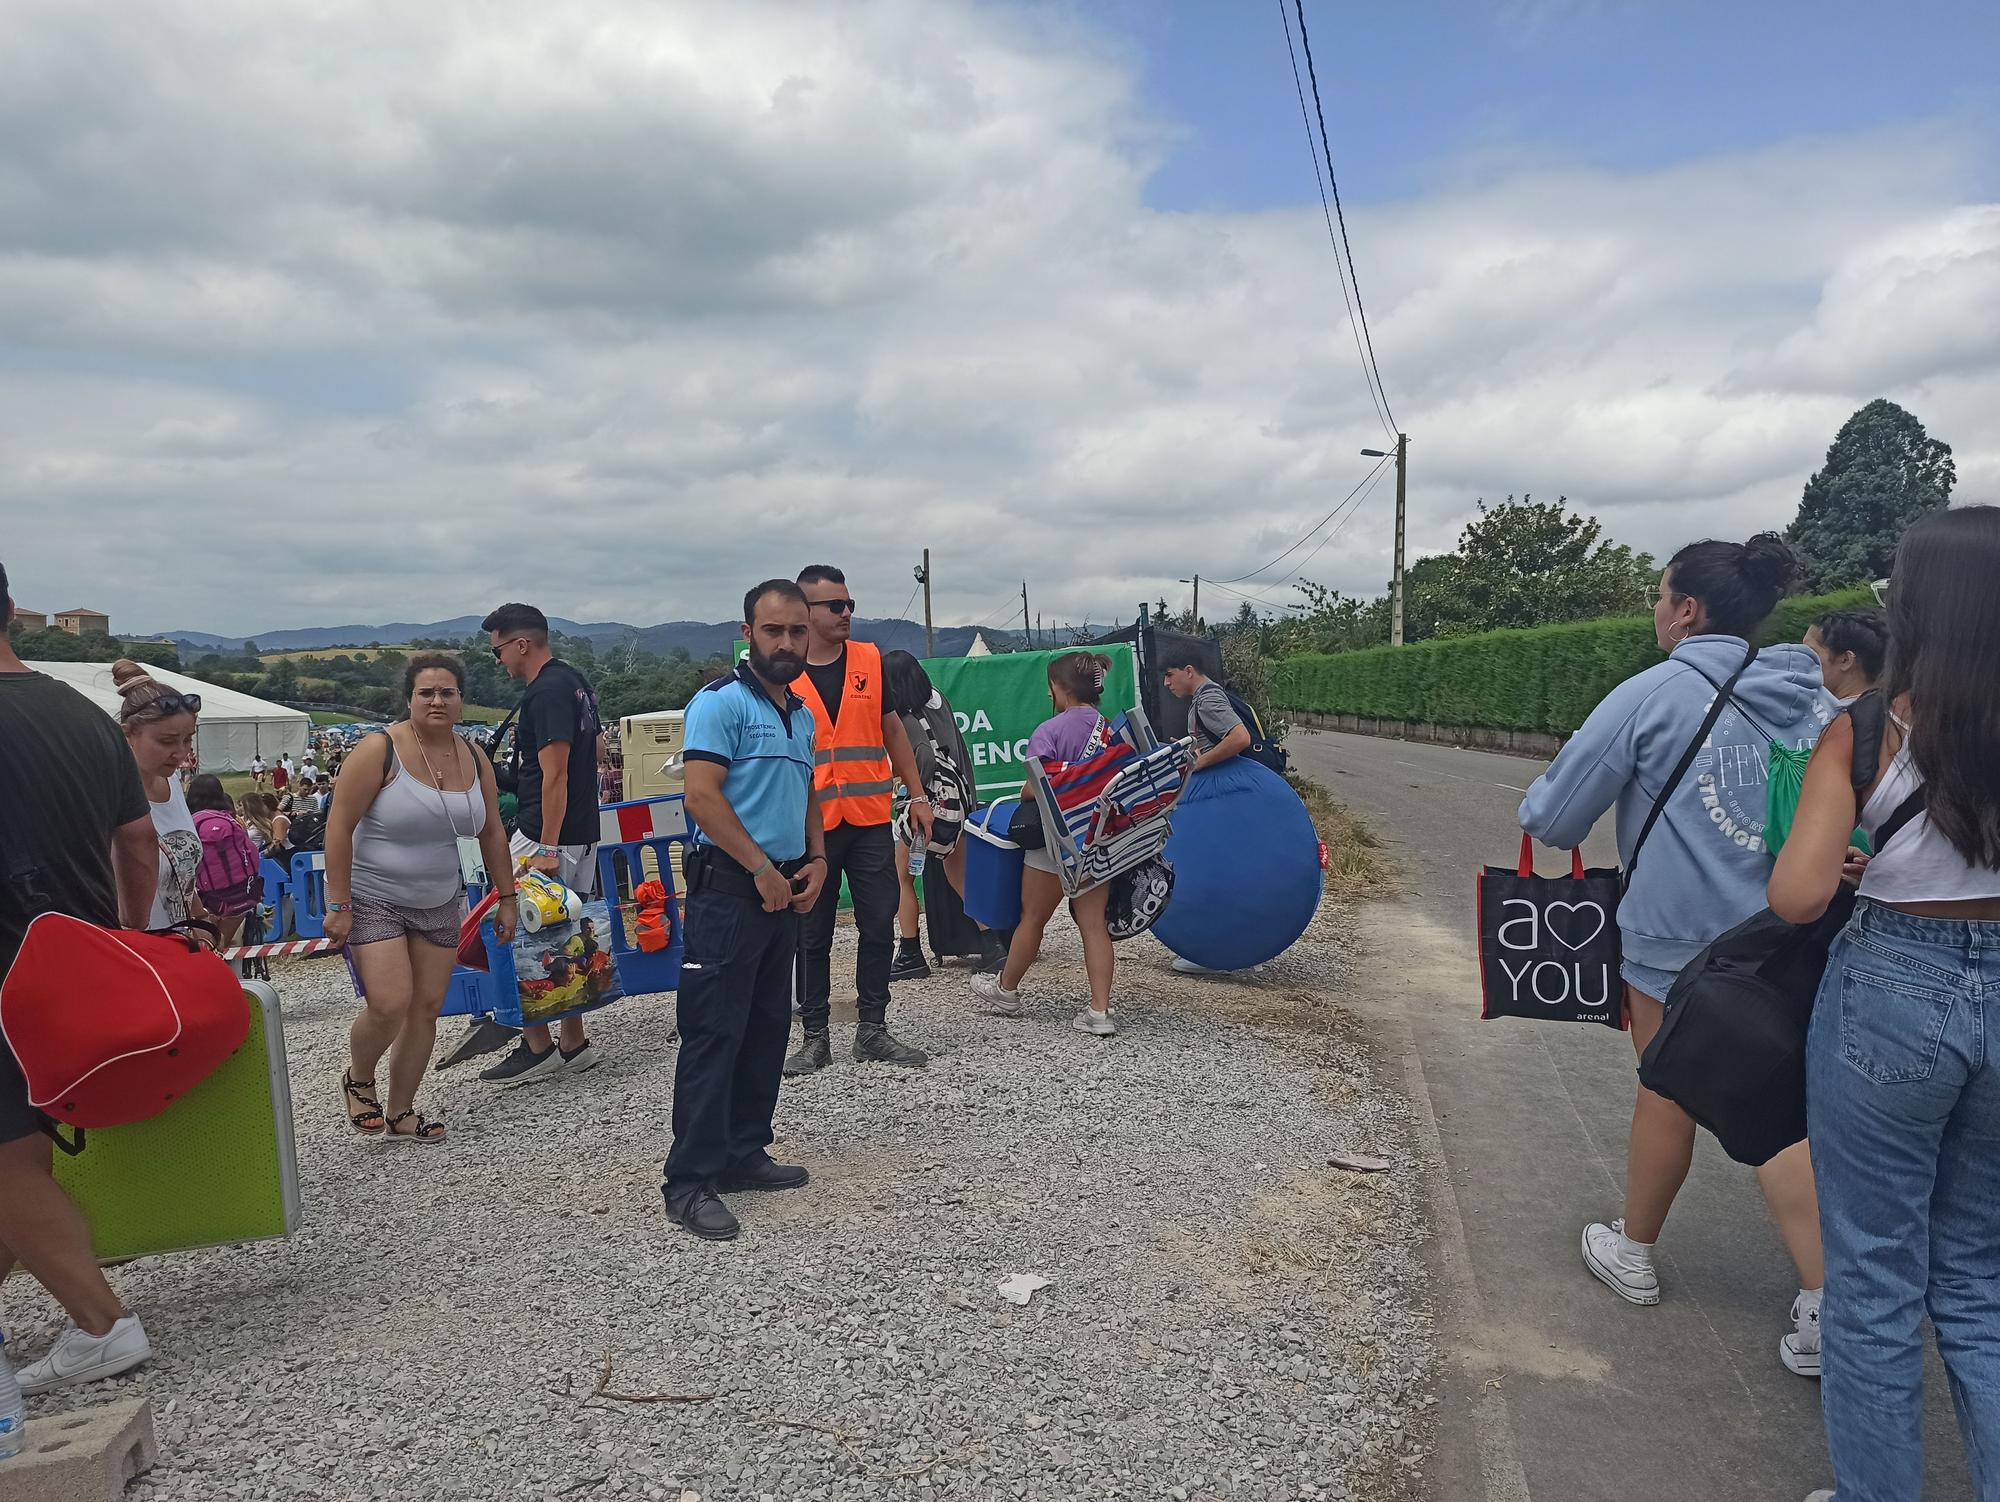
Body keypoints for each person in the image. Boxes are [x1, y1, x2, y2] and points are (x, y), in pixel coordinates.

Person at [1518, 534, 1833, 1375]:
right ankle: (1826, 1285)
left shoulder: (1651, 695)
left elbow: (1552, 820)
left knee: (1688, 1092)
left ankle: (1819, 1296)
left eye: (1660, 595)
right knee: (1796, 1094)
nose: (1656, 609)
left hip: (1682, 945)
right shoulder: (1815, 696)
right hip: (1802, 936)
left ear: (1687, 609)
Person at [1770, 506, 2000, 1502]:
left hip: (1892, 986)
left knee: (1869, 1281)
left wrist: (1859, 855)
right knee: (1978, 1281)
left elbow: (1795, 895)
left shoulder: (1867, 728)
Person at [0, 565, 159, 1396]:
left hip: (1, 974)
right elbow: (140, 845)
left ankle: (102, 1326)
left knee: (4, 1162)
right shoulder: (83, 715)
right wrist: (126, 941)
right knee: (19, 1149)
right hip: (78, 965)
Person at [662, 581, 826, 1240]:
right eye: (773, 631)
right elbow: (702, 798)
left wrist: (815, 860)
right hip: (730, 893)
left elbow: (807, 789)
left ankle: (743, 1151)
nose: (786, 643)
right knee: (713, 1035)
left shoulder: (801, 713)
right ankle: (689, 1181)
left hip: (784, 889)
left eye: (795, 631)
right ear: (748, 632)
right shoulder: (719, 705)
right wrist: (760, 869)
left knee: (765, 1030)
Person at [324, 654, 516, 1142]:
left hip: (438, 898)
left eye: (447, 692)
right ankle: (359, 1077)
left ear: (461, 699)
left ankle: (402, 1109)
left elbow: (492, 831)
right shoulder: (378, 749)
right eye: (426, 692)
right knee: (390, 1002)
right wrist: (339, 903)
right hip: (374, 896)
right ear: (409, 698)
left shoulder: (473, 755)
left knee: (426, 1007)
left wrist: (507, 896)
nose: (437, 701)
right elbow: (339, 827)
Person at [783, 565, 934, 1074]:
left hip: (868, 820)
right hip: (812, 828)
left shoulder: (869, 660)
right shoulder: (781, 670)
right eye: (835, 606)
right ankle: (815, 1036)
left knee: (877, 924)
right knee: (812, 934)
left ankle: (873, 1029)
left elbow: (894, 732)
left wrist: (917, 795)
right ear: (806, 611)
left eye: (850, 604)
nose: (847, 613)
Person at [478, 603, 609, 1087]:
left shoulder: (545, 692)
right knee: (567, 930)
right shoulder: (572, 680)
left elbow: (555, 776)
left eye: (498, 651)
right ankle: (573, 1043)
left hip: (546, 832)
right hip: (580, 830)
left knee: (516, 929)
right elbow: (591, 754)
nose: (499, 662)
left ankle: (536, 1047)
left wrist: (546, 847)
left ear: (521, 644)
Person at [969, 652, 1122, 1037]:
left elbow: (1033, 788)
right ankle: (1100, 1011)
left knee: (1033, 919)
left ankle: (1006, 990)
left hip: (1055, 842)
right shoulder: (1108, 730)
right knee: (1092, 925)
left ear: (1059, 687)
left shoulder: (1049, 731)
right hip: (1097, 840)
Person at [881, 649, 991, 980]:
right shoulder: (937, 701)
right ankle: (995, 945)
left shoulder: (904, 719)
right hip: (958, 806)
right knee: (962, 878)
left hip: (928, 810)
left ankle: (910, 953)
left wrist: (907, 785)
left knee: (901, 876)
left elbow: (924, 759)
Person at [108, 662, 205, 934]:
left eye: (188, 740)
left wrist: (200, 917)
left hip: (177, 948)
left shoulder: (172, 784)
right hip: (134, 952)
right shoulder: (107, 799)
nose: (181, 752)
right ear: (128, 734)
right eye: (167, 741)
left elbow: (179, 875)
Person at [187, 773, 260, 951]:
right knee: (222, 945)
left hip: (206, 897)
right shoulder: (232, 820)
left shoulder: (189, 823)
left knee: (204, 946)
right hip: (241, 895)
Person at [1162, 649, 1251, 771]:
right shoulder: (1206, 694)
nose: (1166, 683)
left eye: (1169, 675)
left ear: (1188, 671)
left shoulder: (1207, 700)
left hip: (1223, 777)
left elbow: (1240, 737)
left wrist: (1197, 763)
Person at [1804, 605, 1887, 704]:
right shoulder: (1892, 710)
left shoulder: (1840, 716)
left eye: (1810, 652)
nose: (1800, 657)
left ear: (1845, 660)